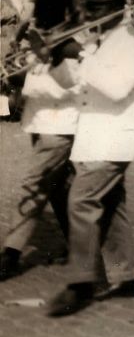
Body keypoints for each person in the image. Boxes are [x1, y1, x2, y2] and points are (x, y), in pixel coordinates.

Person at [46, 0, 134, 316]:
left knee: (80, 201)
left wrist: (80, 54)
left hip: (115, 139)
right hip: (93, 138)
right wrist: (53, 59)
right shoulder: (99, 43)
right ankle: (127, 275)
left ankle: (82, 283)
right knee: (110, 206)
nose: (89, 14)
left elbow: (117, 88)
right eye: (89, 7)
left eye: (97, 8)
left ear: (120, 10)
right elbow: (75, 88)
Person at [0, 52, 78, 280]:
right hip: (39, 122)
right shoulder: (46, 44)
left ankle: (10, 254)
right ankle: (79, 245)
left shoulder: (73, 48)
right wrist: (16, 75)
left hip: (60, 126)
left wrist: (23, 82)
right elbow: (36, 75)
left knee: (34, 185)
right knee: (58, 188)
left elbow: (66, 86)